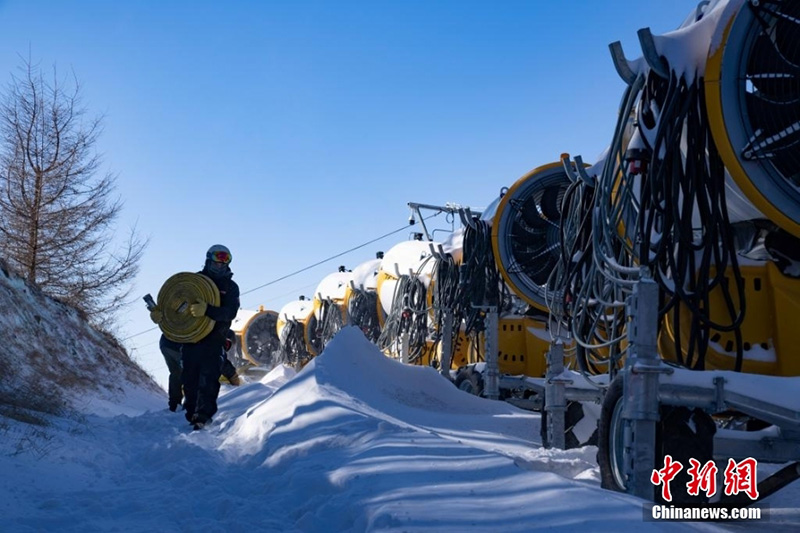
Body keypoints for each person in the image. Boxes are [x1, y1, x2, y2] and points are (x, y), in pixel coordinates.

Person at [150, 244, 240, 430]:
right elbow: (174, 307)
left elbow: (229, 312)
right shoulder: (193, 282)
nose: (220, 265)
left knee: (208, 379)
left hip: (215, 339)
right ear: (208, 260)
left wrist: (207, 310)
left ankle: (202, 417)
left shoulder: (230, 287)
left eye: (225, 261)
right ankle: (190, 414)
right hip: (190, 339)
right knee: (189, 379)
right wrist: (160, 315)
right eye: (217, 261)